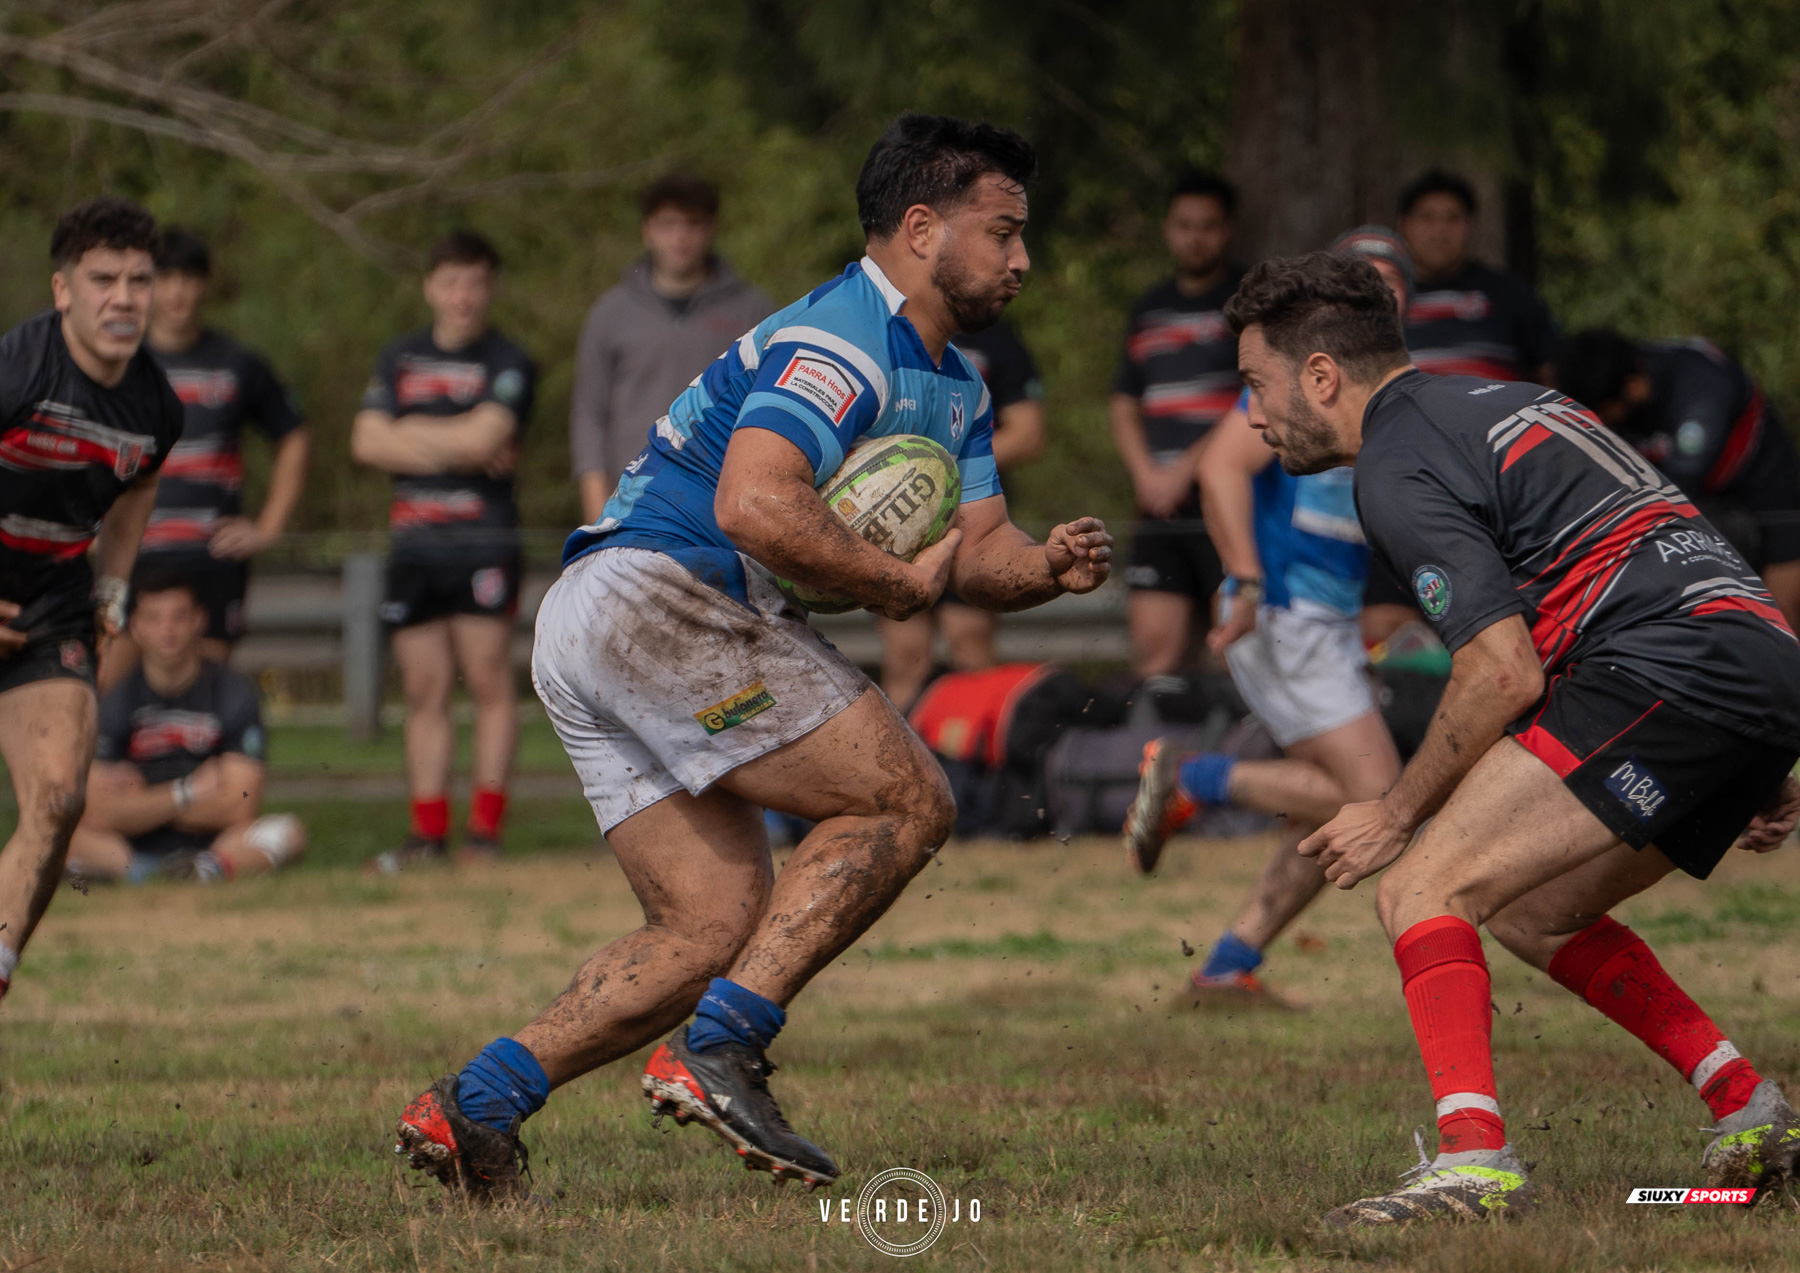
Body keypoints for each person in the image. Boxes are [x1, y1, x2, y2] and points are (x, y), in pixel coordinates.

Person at [391, 112, 1112, 1201]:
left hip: (595, 616)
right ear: (921, 229)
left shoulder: (958, 383)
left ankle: (474, 1103)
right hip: (666, 592)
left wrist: (1045, 564)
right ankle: (720, 1049)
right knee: (907, 801)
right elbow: (755, 501)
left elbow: (979, 548)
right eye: (1003, 232)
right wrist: (887, 581)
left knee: (707, 926)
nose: (1023, 259)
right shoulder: (841, 339)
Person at [1226, 250, 1800, 1225]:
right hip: (1756, 655)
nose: (1250, 414)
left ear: (1321, 376)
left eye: (1255, 384)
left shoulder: (1397, 464)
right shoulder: (1502, 402)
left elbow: (1500, 669)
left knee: (1422, 882)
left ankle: (1475, 1166)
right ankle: (1752, 1110)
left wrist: (1396, 813)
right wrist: (1757, 742)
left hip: (1667, 665)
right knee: (1533, 907)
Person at [1123, 228, 1408, 1006]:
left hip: (1322, 619)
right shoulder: (1289, 385)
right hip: (1281, 613)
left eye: (1390, 283)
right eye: (1365, 282)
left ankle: (1226, 964)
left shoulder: (1381, 390)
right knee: (1380, 802)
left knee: (1338, 806)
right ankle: (1196, 775)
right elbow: (1218, 470)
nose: (1383, 294)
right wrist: (1245, 581)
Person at [0, 196, 183, 1005]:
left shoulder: (155, 408)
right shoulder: (18, 370)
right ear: (62, 290)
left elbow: (137, 486)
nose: (124, 297)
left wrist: (112, 589)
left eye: (139, 280)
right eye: (103, 278)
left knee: (60, 796)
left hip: (50, 609)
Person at [351, 231, 536, 870]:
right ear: (431, 285)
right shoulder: (398, 356)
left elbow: (489, 432)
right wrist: (455, 442)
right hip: (413, 547)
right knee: (424, 689)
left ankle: (483, 833)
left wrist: (407, 432)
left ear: (490, 289)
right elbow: (366, 442)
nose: (464, 296)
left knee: (488, 683)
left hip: (485, 543)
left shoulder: (510, 360)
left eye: (476, 282)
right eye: (452, 281)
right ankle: (426, 834)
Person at [99, 228, 311, 688]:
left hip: (212, 558)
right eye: (165, 278)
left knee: (205, 697)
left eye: (189, 278)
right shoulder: (114, 360)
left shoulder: (238, 363)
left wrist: (269, 527)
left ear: (205, 284)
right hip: (132, 555)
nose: (177, 291)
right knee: (105, 691)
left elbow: (293, 437)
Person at [66, 567, 304, 883]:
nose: (167, 629)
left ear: (199, 621)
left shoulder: (233, 691)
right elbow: (99, 812)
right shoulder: (116, 700)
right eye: (154, 618)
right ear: (135, 627)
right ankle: (145, 873)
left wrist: (140, 801)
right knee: (68, 835)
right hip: (130, 845)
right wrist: (186, 791)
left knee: (289, 832)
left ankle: (205, 869)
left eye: (179, 617)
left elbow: (239, 807)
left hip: (213, 841)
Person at [1556, 328, 1800, 629]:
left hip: (1765, 488)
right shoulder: (1618, 383)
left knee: (1782, 615)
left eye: (1604, 413)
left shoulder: (1701, 383)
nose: (1601, 423)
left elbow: (1678, 486)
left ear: (1632, 387)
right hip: (1700, 496)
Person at [570, 175, 777, 523]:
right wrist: (596, 512)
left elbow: (770, 412)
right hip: (630, 506)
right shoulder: (610, 312)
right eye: (667, 225)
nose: (679, 238)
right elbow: (589, 416)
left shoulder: (754, 312)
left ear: (712, 229)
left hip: (723, 504)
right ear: (646, 230)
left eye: (692, 224)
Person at [1110, 171, 1243, 682]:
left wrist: (1189, 469)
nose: (1196, 237)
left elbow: (1251, 400)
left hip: (1226, 499)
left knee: (1234, 654)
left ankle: (1233, 762)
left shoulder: (1247, 302)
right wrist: (1147, 475)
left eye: (1208, 226)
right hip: (1158, 505)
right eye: (1185, 225)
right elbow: (1123, 400)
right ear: (1168, 229)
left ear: (1228, 230)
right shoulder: (1149, 307)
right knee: (1155, 656)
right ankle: (1157, 756)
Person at [878, 318, 1047, 708]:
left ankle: (973, 756)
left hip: (970, 513)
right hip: (896, 515)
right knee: (906, 653)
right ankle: (901, 763)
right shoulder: (888, 332)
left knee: (969, 643)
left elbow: (1028, 433)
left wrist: (939, 468)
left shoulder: (997, 337)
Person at [1397, 169, 1558, 383]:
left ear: (1471, 225)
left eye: (1453, 218)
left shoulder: (1509, 293)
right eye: (1427, 218)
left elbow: (1549, 372)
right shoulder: (1387, 297)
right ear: (1404, 225)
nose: (1440, 231)